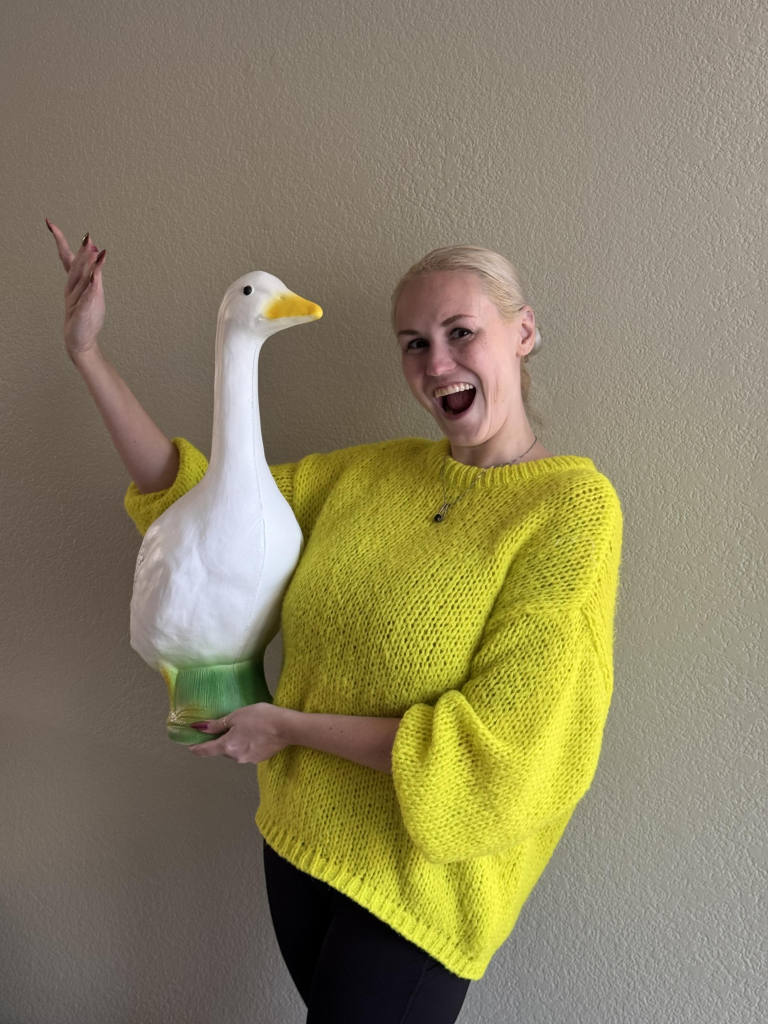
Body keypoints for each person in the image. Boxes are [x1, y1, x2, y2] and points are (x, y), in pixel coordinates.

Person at [48, 222, 623, 1024]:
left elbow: (499, 749)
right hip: (296, 846)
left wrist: (285, 728)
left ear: (522, 332)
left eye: (462, 333)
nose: (438, 363)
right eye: (414, 344)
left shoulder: (569, 511)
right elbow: (202, 506)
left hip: (414, 890)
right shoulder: (369, 474)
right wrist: (87, 355)